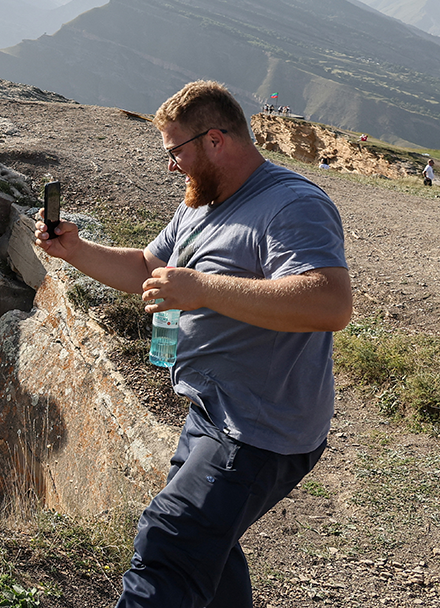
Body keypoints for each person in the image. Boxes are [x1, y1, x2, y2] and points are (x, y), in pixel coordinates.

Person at [35, 81, 352, 608]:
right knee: (211, 551)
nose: (170, 165)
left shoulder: (291, 205)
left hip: (261, 427)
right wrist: (75, 249)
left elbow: (328, 303)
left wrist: (202, 289)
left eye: (175, 151)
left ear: (214, 140)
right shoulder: (200, 204)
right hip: (212, 410)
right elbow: (148, 266)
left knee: (169, 539)